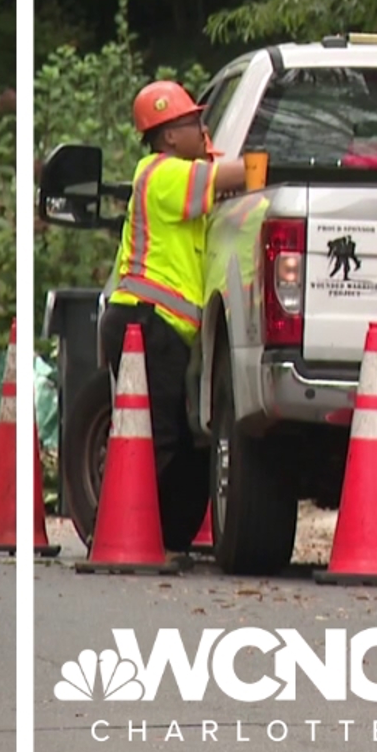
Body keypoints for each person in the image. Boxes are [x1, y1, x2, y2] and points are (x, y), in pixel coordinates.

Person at [101, 80, 247, 550]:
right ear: (167, 136)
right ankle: (134, 536)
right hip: (144, 323)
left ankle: (161, 537)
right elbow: (234, 176)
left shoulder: (179, 180)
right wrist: (259, 163)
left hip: (157, 327)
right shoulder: (161, 174)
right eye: (193, 124)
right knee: (157, 439)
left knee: (175, 440)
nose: (202, 131)